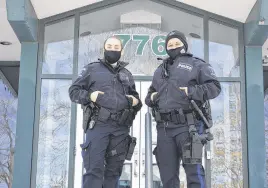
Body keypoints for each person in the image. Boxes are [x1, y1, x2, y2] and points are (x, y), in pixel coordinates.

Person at [145, 30, 221, 188]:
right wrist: (151, 98)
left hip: (188, 126)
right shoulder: (160, 70)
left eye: (177, 44)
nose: (173, 47)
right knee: (167, 176)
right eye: (170, 44)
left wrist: (192, 91)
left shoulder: (197, 64)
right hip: (164, 129)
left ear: (184, 46)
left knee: (193, 171)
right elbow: (150, 94)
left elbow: (214, 87)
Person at [69, 36, 142, 188]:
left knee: (113, 173)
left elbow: (136, 100)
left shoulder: (127, 74)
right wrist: (90, 96)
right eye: (109, 46)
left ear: (121, 51)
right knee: (94, 171)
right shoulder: (91, 69)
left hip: (121, 129)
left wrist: (136, 101)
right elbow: (73, 92)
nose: (112, 50)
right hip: (98, 126)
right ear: (104, 49)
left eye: (116, 47)